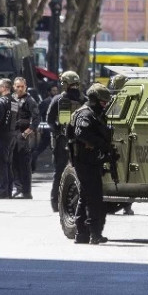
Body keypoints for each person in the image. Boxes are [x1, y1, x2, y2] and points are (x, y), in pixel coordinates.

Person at [70, 83, 115, 244]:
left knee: (85, 196)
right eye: (103, 102)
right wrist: (100, 144)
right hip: (86, 161)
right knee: (94, 198)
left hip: (90, 160)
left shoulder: (94, 114)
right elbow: (81, 133)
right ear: (95, 100)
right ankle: (94, 233)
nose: (105, 105)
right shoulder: (86, 114)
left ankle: (81, 234)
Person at [46, 71, 83, 211]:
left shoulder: (58, 99)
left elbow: (50, 120)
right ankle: (76, 203)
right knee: (80, 172)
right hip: (79, 141)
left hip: (62, 142)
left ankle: (56, 204)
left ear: (64, 84)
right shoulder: (84, 99)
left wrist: (59, 133)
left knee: (59, 172)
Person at [8, 76, 39, 198]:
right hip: (12, 134)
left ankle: (26, 191)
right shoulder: (13, 99)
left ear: (25, 87)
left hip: (23, 135)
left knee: (24, 164)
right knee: (13, 162)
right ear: (14, 87)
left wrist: (27, 132)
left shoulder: (30, 100)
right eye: (17, 86)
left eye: (22, 86)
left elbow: (36, 119)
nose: (20, 89)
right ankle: (19, 188)